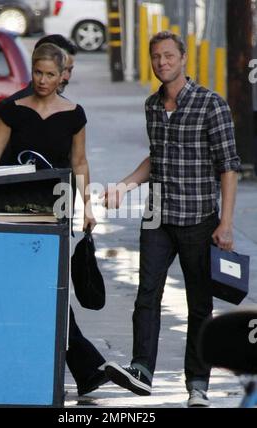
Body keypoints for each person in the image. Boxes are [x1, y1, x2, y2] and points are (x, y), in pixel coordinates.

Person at [102, 31, 241, 407]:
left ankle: (198, 384)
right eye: (155, 57)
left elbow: (229, 168)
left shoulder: (211, 104)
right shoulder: (151, 105)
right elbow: (156, 157)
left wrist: (225, 223)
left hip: (199, 218)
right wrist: (125, 185)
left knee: (200, 305)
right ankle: (141, 370)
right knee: (147, 294)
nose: (162, 62)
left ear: (182, 58)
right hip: (157, 217)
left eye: (168, 56)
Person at [0, 38, 108, 396]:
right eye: (37, 72)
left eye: (50, 74)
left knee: (52, 287)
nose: (42, 80)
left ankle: (82, 367)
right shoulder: (12, 109)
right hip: (10, 211)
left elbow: (80, 162)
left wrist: (89, 206)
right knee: (28, 288)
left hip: (55, 213)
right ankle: (80, 366)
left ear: (63, 76)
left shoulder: (75, 114)